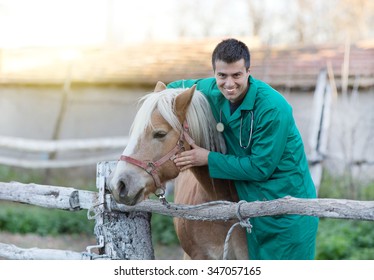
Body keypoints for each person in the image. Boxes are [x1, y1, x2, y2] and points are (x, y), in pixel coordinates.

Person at [168, 38, 319, 260]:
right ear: (214, 73)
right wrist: (169, 105)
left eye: (237, 75)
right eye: (222, 76)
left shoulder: (273, 108)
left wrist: (207, 158)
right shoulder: (210, 89)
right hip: (248, 202)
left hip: (286, 208)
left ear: (248, 71)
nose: (229, 84)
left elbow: (260, 168)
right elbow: (172, 90)